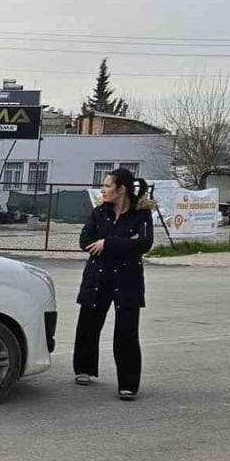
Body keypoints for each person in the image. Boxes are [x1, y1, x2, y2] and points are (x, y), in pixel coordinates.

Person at [73, 168, 154, 401]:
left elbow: (144, 244)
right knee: (89, 323)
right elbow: (85, 241)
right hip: (97, 277)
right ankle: (84, 369)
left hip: (127, 279)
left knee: (126, 332)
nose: (103, 190)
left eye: (108, 186)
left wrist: (107, 242)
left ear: (122, 190)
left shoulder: (141, 215)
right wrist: (126, 243)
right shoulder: (99, 212)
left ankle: (128, 384)